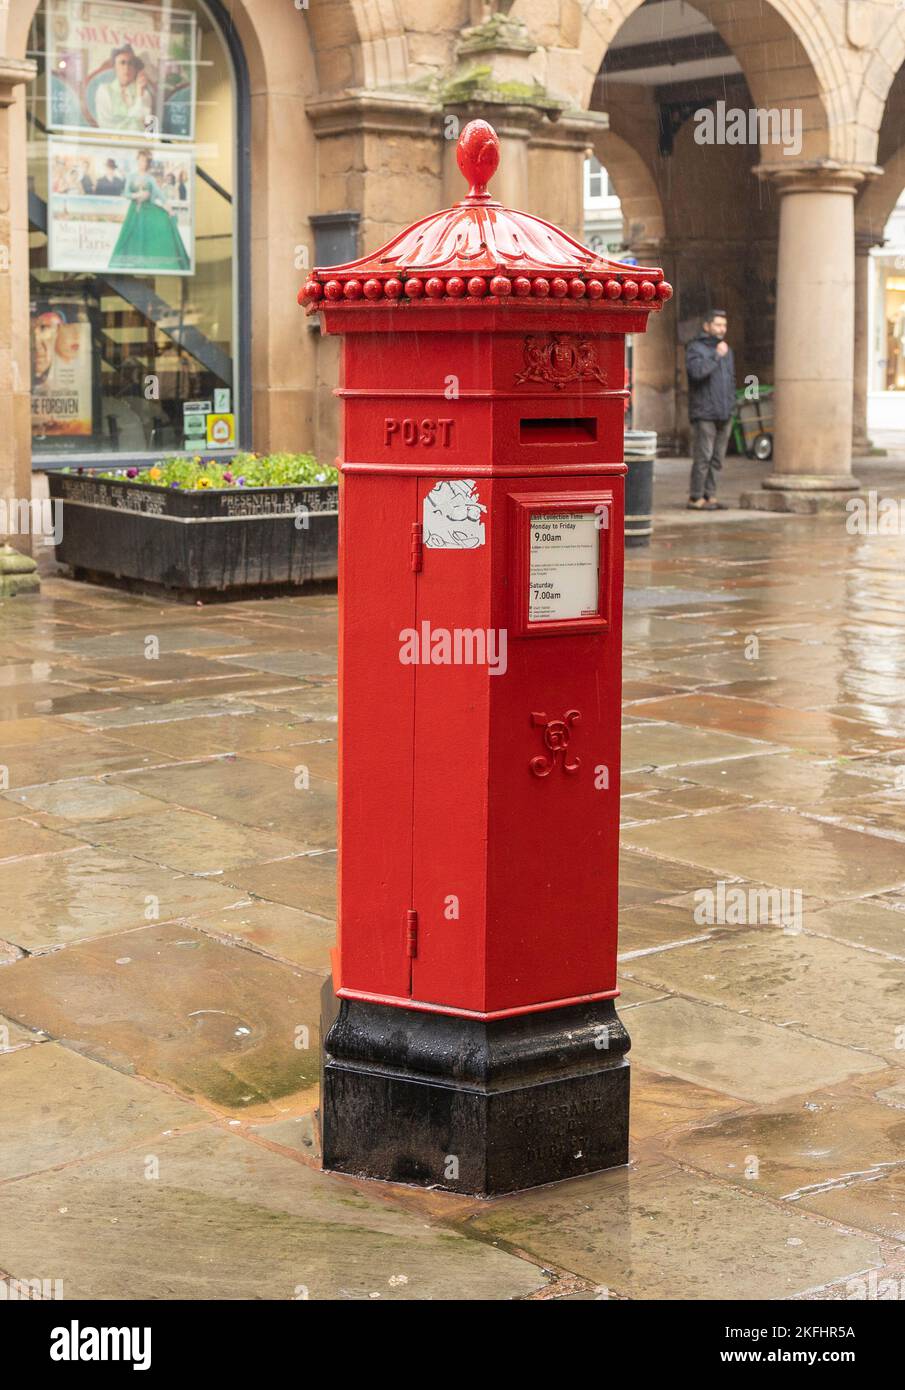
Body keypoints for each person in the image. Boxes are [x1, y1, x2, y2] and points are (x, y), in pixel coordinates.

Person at [109, 149, 191, 273]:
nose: (143, 163)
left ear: (148, 163)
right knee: (130, 237)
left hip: (147, 211)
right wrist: (137, 195)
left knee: (148, 237)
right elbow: (126, 193)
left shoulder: (150, 179)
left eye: (146, 161)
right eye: (141, 160)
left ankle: (146, 267)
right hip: (134, 212)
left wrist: (169, 210)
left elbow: (160, 195)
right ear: (137, 160)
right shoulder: (131, 176)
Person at [685, 309, 736, 510]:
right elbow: (697, 373)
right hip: (704, 412)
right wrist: (716, 356)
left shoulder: (726, 349)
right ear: (707, 326)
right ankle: (695, 497)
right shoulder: (695, 348)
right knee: (703, 457)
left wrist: (732, 405)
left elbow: (730, 380)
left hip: (725, 412)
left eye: (724, 325)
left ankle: (710, 496)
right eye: (718, 325)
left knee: (717, 458)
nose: (722, 329)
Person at [94, 44, 153, 133]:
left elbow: (147, 127)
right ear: (115, 67)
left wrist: (139, 96)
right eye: (122, 63)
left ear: (135, 68)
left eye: (130, 63)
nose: (127, 68)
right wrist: (133, 122)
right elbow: (106, 125)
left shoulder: (144, 93)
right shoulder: (104, 91)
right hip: (112, 143)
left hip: (137, 143)